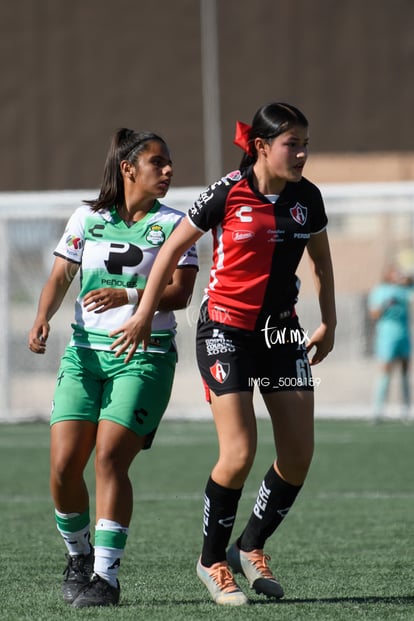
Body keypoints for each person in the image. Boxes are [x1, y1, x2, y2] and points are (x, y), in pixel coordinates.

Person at [109, 103, 336, 606]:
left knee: (298, 455)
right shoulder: (227, 191)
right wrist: (145, 310)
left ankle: (250, 546)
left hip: (280, 332)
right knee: (238, 453)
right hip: (225, 331)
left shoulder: (308, 198)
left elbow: (321, 260)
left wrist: (330, 322)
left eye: (304, 144)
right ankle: (212, 561)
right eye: (290, 144)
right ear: (261, 146)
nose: (300, 153)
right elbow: (169, 249)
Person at [28, 128, 198, 608]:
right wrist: (42, 316)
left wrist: (129, 295)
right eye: (157, 163)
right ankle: (78, 556)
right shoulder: (88, 217)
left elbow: (182, 293)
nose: (168, 171)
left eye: (169, 163)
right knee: (63, 468)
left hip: (143, 356)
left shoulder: (175, 224)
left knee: (108, 458)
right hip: (83, 355)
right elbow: (61, 275)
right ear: (128, 169)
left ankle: (105, 577)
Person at [368, 264, 413, 421]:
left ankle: (406, 409)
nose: (397, 275)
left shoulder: (405, 290)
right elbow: (374, 314)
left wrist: (410, 280)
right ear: (387, 274)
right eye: (394, 272)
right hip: (387, 335)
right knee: (385, 370)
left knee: (405, 370)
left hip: (403, 334)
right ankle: (378, 410)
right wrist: (386, 304)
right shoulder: (379, 291)